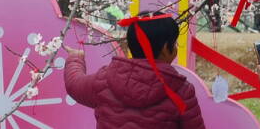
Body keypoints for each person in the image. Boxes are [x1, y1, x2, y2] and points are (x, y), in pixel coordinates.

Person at [64, 11, 206, 128]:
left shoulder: (104, 79)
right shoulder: (181, 91)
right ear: (164, 48)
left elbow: (74, 84)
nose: (175, 49)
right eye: (174, 44)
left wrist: (75, 58)